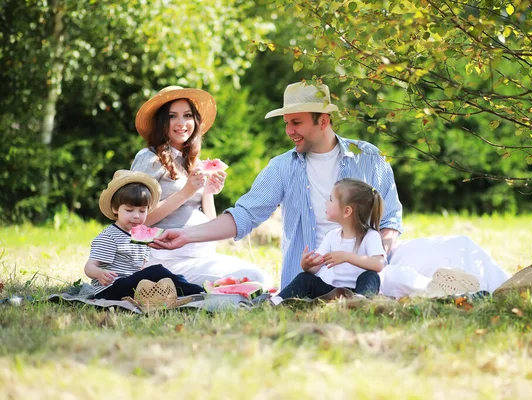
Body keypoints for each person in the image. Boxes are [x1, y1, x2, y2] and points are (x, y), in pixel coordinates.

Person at [151, 81, 404, 289]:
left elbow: (390, 221)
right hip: (309, 280)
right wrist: (185, 236)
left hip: (365, 276)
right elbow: (243, 216)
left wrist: (371, 261)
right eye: (286, 123)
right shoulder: (282, 167)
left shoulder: (367, 157)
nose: (288, 131)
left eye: (296, 122)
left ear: (323, 121)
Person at [130, 86, 272, 286]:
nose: (181, 123)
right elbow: (136, 220)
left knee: (261, 277)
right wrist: (186, 192)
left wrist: (207, 193)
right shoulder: (149, 158)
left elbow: (209, 223)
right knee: (255, 281)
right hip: (164, 259)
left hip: (201, 255)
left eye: (187, 115)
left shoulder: (192, 163)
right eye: (172, 116)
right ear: (162, 122)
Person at [84, 170, 204, 300]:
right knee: (156, 271)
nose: (136, 216)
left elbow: (139, 270)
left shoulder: (142, 237)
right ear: (115, 209)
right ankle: (197, 292)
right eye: (129, 210)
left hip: (132, 287)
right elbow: (89, 267)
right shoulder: (109, 236)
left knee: (173, 277)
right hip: (110, 289)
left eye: (142, 211)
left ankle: (183, 290)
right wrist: (99, 273)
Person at [271, 178, 385, 304]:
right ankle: (277, 301)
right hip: (334, 292)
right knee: (305, 278)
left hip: (358, 291)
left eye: (331, 199)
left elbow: (378, 264)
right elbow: (316, 267)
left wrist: (346, 256)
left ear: (346, 211)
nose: (326, 203)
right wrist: (307, 265)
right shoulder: (332, 236)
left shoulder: (370, 236)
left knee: (371, 276)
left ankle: (358, 303)